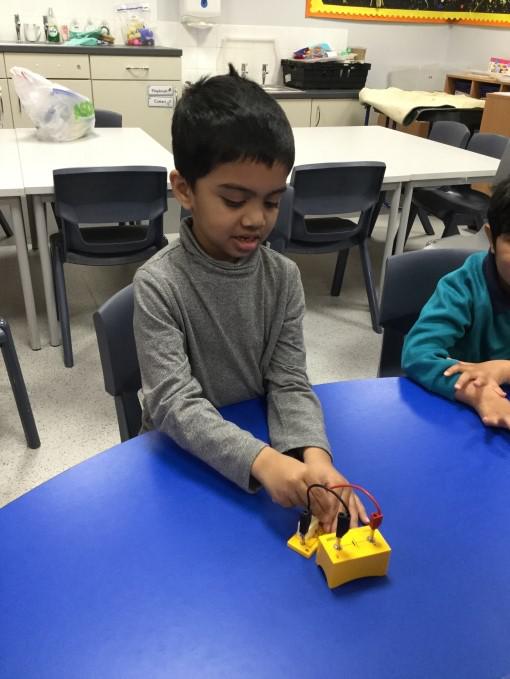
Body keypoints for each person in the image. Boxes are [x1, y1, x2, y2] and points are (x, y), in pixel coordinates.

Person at [133, 66, 367, 530]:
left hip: (258, 444)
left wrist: (315, 455)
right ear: (184, 190)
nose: (257, 219)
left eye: (272, 201)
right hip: (179, 462)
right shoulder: (158, 284)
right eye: (235, 200)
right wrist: (263, 461)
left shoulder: (283, 277)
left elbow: (289, 380)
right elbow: (174, 404)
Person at [402, 176, 510, 429]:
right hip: (462, 417)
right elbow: (418, 353)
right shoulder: (463, 286)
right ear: (491, 239)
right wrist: (479, 393)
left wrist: (505, 369)